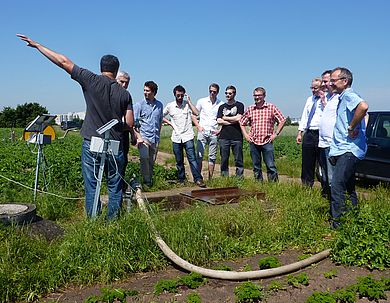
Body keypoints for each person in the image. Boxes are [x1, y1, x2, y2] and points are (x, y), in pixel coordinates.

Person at [17, 34, 134, 220]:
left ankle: (94, 221)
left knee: (92, 184)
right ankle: (112, 222)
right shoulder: (125, 94)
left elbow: (63, 62)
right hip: (115, 144)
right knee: (115, 185)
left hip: (92, 142)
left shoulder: (91, 80)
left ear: (101, 68)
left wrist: (38, 45)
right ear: (116, 70)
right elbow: (129, 123)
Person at [328, 67, 368, 228]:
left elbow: (363, 107)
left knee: (337, 185)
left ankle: (339, 225)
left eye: (333, 80)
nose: (331, 83)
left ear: (344, 81)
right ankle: (354, 220)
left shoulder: (350, 95)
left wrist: (352, 127)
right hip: (343, 149)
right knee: (349, 187)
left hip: (348, 149)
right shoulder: (342, 97)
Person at [163, 85, 206, 187]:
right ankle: (181, 179)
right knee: (179, 160)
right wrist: (169, 123)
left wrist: (189, 101)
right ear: (174, 94)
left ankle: (198, 179)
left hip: (188, 136)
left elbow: (196, 113)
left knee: (192, 159)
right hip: (176, 137)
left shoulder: (187, 104)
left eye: (182, 95)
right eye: (178, 95)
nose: (180, 97)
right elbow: (161, 115)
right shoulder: (170, 106)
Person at [240, 87, 286, 181]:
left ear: (264, 96)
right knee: (256, 166)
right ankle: (258, 185)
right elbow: (241, 122)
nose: (257, 97)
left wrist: (276, 134)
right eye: (255, 95)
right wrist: (246, 135)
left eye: (259, 95)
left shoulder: (271, 107)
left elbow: (282, 120)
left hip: (267, 141)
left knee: (270, 165)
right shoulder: (250, 108)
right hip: (254, 141)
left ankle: (273, 186)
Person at [296, 77, 326, 187]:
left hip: (321, 133)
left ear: (322, 87)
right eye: (312, 88)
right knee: (307, 162)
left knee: (322, 163)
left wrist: (323, 100)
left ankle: (325, 187)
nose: (313, 90)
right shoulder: (310, 99)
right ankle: (306, 186)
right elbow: (305, 116)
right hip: (309, 133)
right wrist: (300, 132)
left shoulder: (327, 99)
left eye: (316, 88)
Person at [133, 81, 163, 187]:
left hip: (155, 138)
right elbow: (134, 123)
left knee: (151, 161)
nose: (145, 92)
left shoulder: (159, 105)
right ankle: (146, 181)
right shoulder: (139, 105)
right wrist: (138, 137)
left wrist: (158, 134)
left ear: (154, 92)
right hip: (144, 138)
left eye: (148, 91)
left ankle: (149, 180)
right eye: (144, 90)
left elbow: (160, 121)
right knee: (144, 159)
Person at [192, 83, 224, 180]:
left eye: (214, 92)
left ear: (217, 92)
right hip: (203, 131)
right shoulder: (202, 101)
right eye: (210, 91)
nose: (212, 93)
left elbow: (223, 118)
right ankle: (198, 178)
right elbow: (194, 114)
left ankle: (210, 178)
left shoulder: (221, 104)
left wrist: (220, 130)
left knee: (212, 157)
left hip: (213, 132)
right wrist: (198, 126)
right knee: (199, 156)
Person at [318, 70, 339, 199]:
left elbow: (364, 111)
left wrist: (353, 128)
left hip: (332, 142)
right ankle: (328, 199)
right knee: (324, 174)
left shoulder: (340, 97)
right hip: (323, 142)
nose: (324, 84)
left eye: (325, 81)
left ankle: (336, 205)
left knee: (332, 177)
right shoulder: (329, 98)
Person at [217, 85, 245, 177]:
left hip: (237, 137)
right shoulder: (222, 107)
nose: (227, 95)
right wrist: (232, 121)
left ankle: (239, 178)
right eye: (226, 93)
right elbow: (218, 120)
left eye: (230, 93)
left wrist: (225, 118)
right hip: (224, 137)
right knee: (224, 159)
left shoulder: (240, 105)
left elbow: (239, 118)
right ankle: (225, 178)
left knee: (238, 159)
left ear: (234, 94)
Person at [116, 71, 136, 190]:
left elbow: (130, 121)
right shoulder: (109, 93)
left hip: (124, 133)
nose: (124, 85)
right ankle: (115, 185)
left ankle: (121, 183)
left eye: (126, 83)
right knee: (113, 160)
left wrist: (132, 133)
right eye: (121, 82)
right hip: (112, 133)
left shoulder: (127, 96)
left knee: (123, 159)